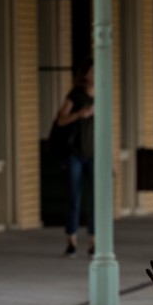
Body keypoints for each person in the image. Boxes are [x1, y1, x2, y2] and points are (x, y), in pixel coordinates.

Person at [52, 60, 95, 257]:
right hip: (75, 153)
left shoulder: (101, 96)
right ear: (85, 74)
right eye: (92, 71)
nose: (95, 74)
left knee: (95, 198)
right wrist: (80, 114)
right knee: (74, 196)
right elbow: (60, 119)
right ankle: (72, 239)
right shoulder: (75, 95)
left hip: (94, 152)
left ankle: (94, 240)